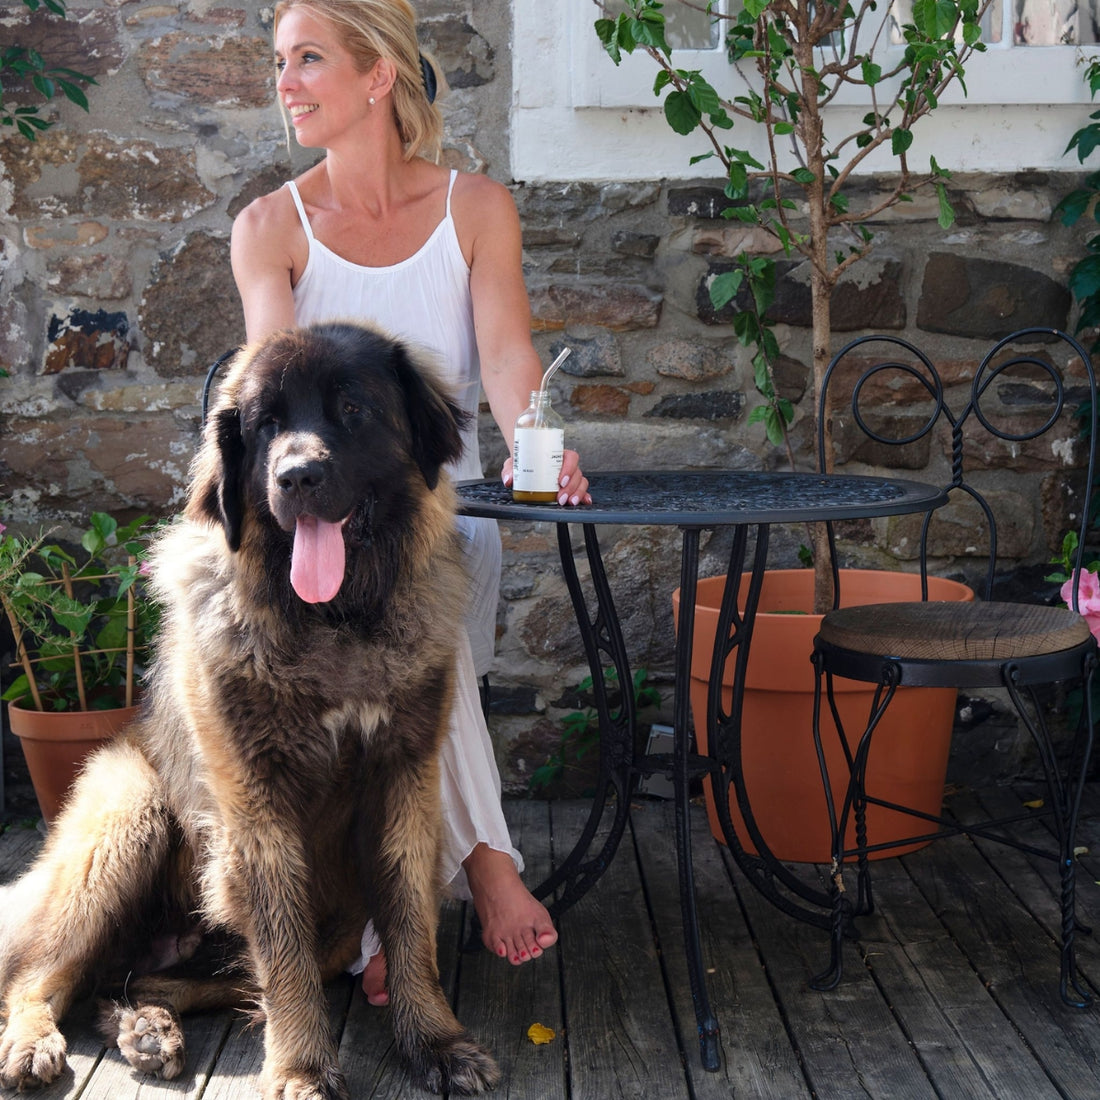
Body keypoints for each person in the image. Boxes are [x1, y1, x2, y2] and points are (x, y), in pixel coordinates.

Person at [229, 0, 590, 1006]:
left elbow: (508, 356)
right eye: (279, 62)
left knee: (431, 598)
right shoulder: (269, 229)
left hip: (444, 513)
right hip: (322, 527)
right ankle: (484, 862)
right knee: (413, 619)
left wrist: (539, 447)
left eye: (307, 59)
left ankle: (399, 914)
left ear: (378, 74)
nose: (285, 83)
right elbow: (275, 387)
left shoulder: (476, 209)